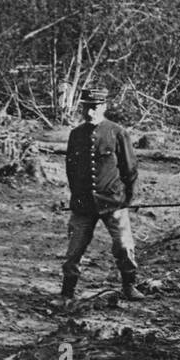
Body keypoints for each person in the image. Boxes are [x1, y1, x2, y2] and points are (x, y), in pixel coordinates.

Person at [61, 87, 142, 307]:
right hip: (83, 204)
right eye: (86, 107)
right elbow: (71, 168)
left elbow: (130, 169)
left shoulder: (117, 132)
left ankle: (129, 285)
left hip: (113, 201)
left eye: (95, 107)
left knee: (124, 246)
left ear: (104, 107)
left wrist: (127, 199)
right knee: (73, 251)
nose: (90, 112)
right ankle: (67, 293)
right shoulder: (76, 134)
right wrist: (76, 196)